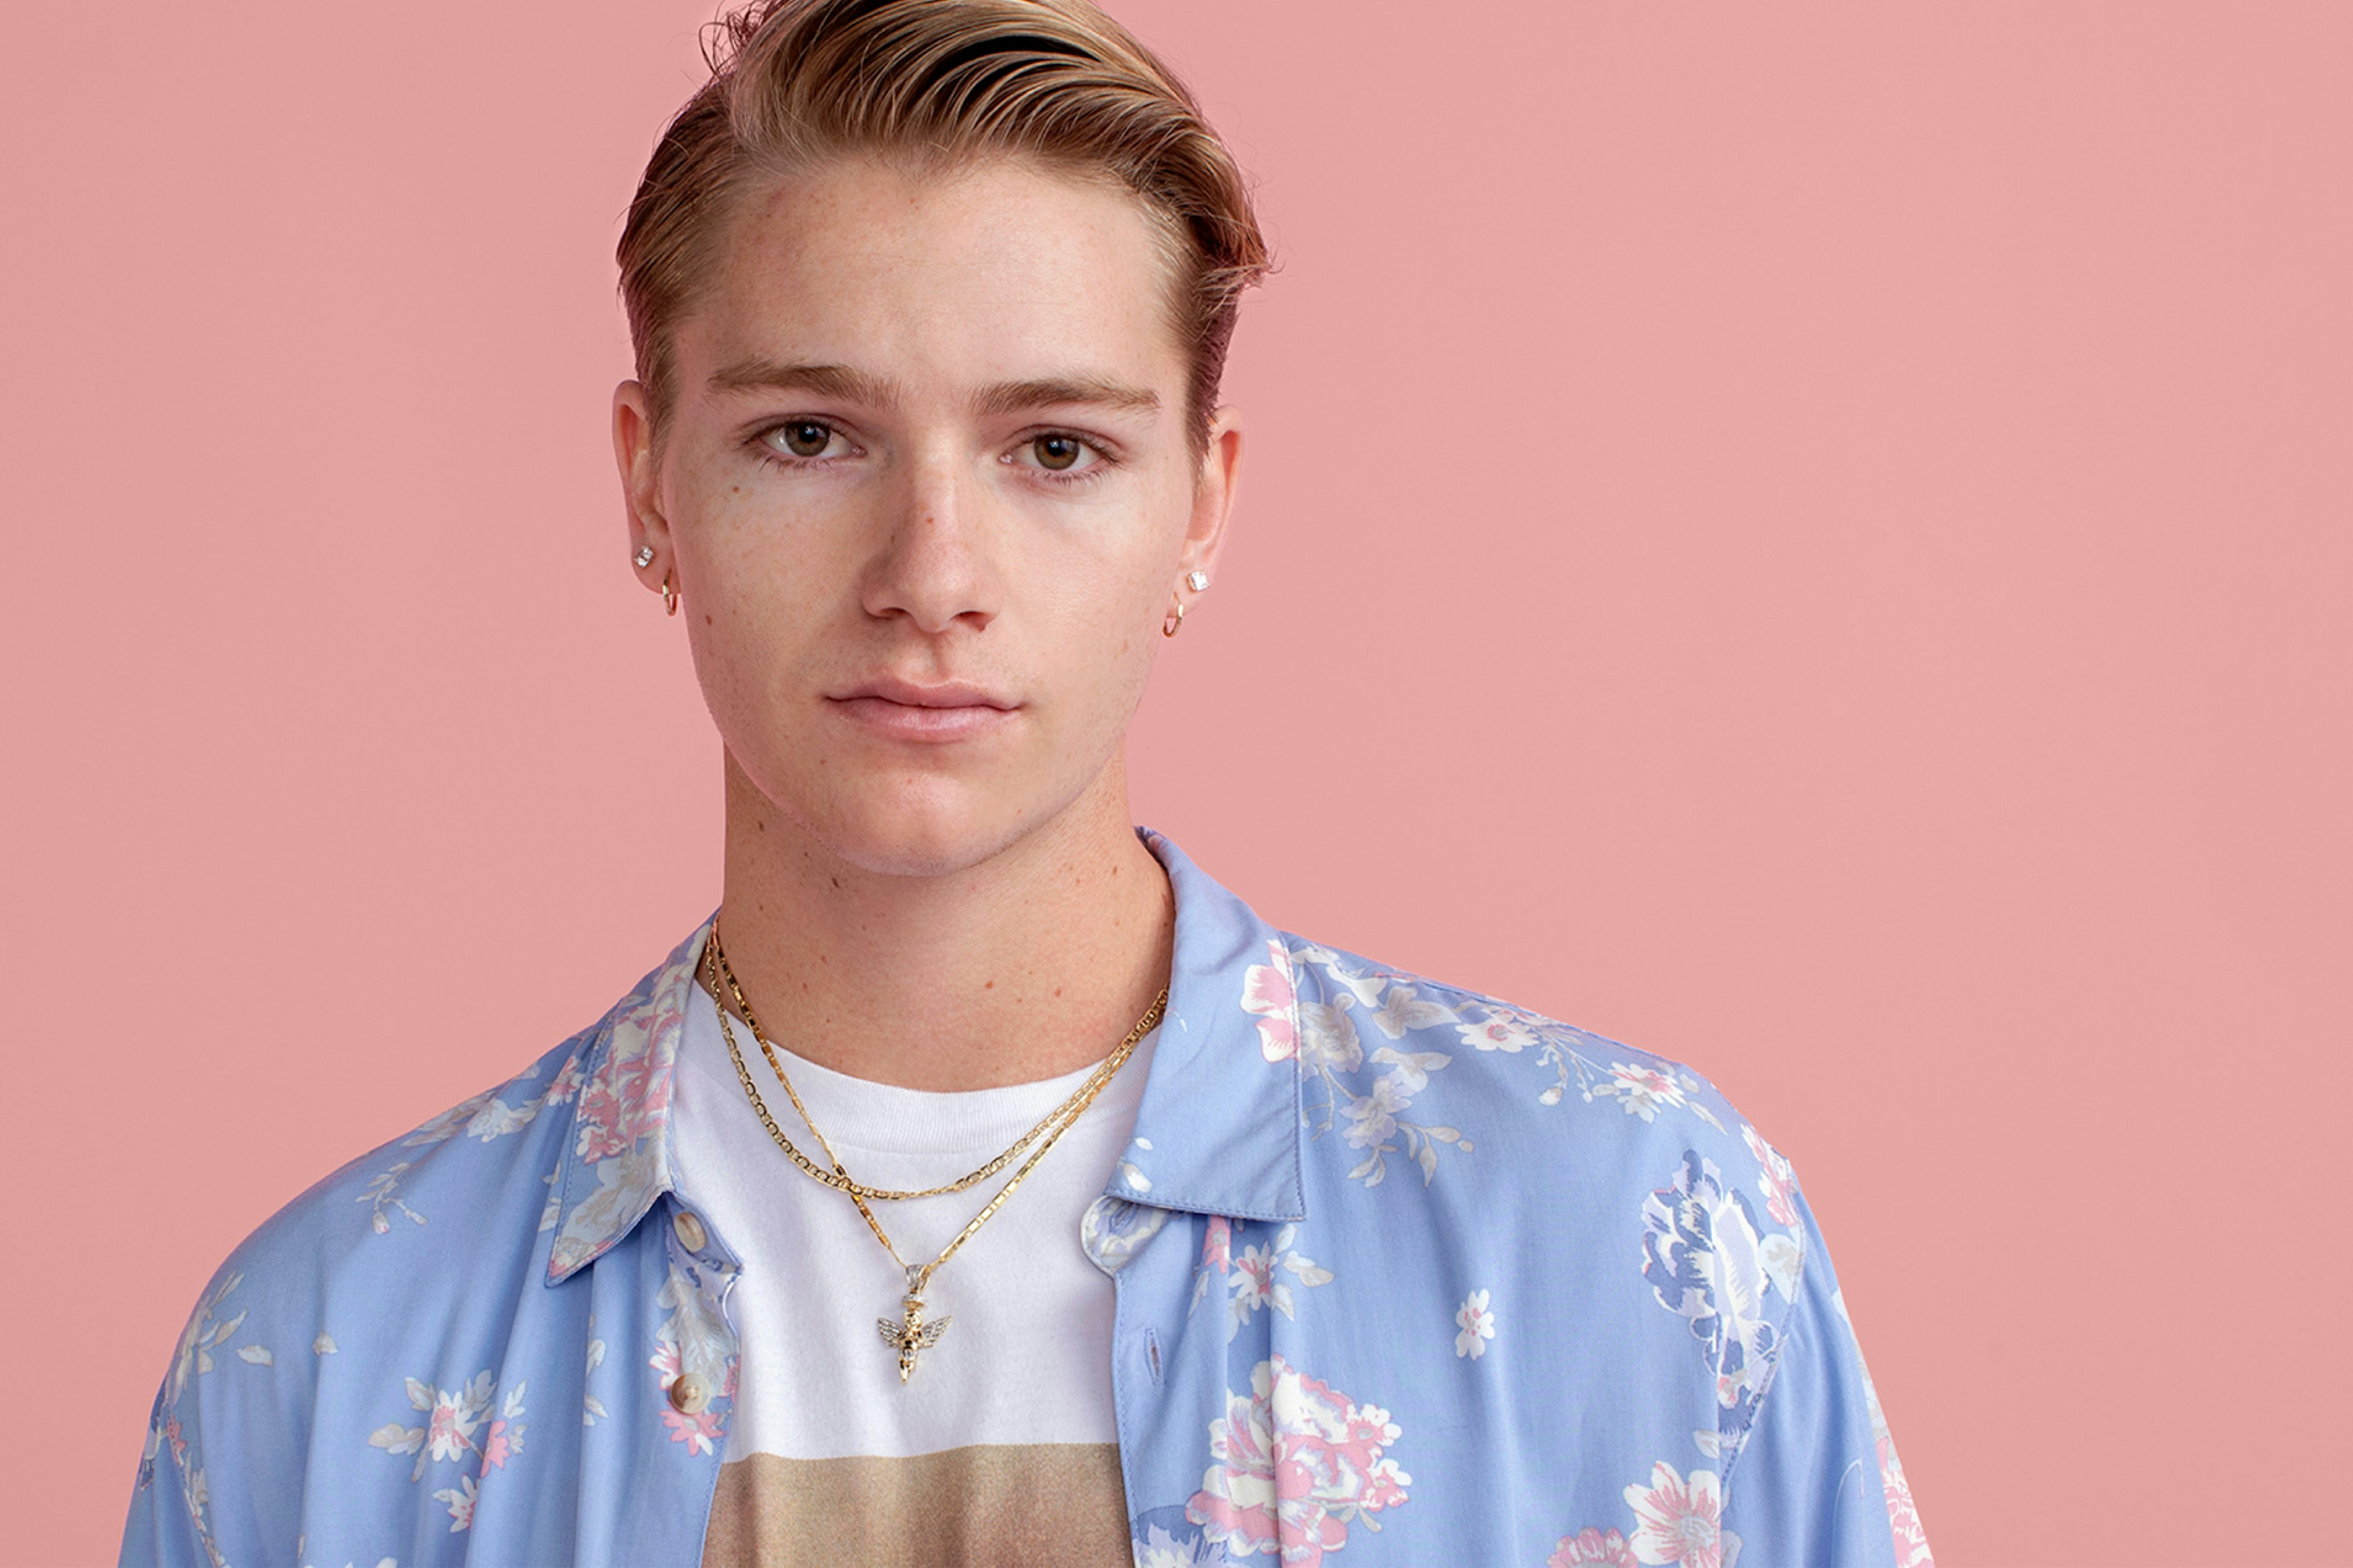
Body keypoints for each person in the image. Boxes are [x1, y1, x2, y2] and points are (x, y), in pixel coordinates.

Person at [119, 1, 1931, 1564]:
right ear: (647, 481)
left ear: (1201, 507)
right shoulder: (331, 1360)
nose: (931, 570)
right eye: (809, 437)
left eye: (1055, 448)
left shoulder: (1637, 1252)